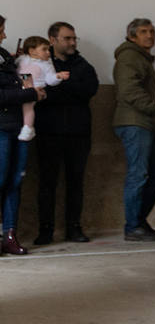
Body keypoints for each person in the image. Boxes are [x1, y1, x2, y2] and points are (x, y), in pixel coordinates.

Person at [34, 21, 98, 245]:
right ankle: (46, 229)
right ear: (52, 40)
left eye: (74, 38)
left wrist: (59, 87)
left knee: (75, 183)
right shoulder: (40, 63)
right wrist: (67, 88)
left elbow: (89, 90)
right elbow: (41, 94)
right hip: (49, 132)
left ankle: (74, 228)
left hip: (78, 134)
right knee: (47, 183)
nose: (72, 42)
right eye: (67, 38)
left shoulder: (82, 65)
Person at [113, 18, 155, 242]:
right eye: (144, 32)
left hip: (143, 123)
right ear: (132, 36)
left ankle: (138, 221)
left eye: (152, 31)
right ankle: (133, 226)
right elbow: (129, 91)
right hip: (135, 122)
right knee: (139, 175)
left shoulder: (139, 57)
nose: (149, 36)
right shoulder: (129, 56)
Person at [0, 15, 42, 255]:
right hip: (2, 127)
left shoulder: (7, 57)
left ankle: (10, 234)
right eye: (1, 30)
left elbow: (24, 82)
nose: (4, 35)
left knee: (15, 182)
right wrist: (30, 94)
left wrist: (32, 89)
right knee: (1, 180)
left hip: (18, 126)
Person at [14, 37, 66, 141]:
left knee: (28, 106)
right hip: (21, 88)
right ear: (32, 51)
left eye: (48, 49)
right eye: (44, 49)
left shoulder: (47, 65)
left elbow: (50, 79)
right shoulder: (23, 59)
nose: (48, 52)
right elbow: (16, 69)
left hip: (36, 90)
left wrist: (58, 77)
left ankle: (28, 128)